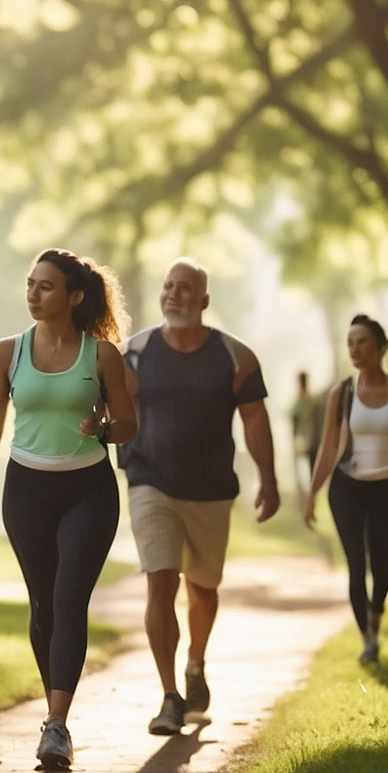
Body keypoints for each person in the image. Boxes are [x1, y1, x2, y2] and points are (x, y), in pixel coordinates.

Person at [0, 248, 136, 770]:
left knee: (68, 601)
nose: (34, 294)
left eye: (46, 286)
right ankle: (54, 710)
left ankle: (56, 725)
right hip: (26, 490)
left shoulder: (101, 355)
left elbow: (128, 426)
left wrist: (102, 430)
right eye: (30, 284)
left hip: (88, 489)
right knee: (42, 605)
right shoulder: (7, 353)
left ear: (74, 296)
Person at [119, 259, 280, 736]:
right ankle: (169, 695)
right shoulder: (137, 352)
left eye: (185, 288)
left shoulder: (235, 357)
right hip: (150, 481)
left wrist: (268, 479)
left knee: (204, 587)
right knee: (160, 581)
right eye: (168, 286)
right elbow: (116, 406)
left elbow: (254, 419)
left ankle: (195, 662)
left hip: (210, 490)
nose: (174, 295)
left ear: (204, 300)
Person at [304, 314, 388, 664]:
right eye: (350, 343)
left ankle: (376, 616)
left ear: (379, 348)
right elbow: (329, 447)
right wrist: (313, 493)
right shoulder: (341, 393)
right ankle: (368, 641)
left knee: (382, 565)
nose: (355, 349)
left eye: (362, 343)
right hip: (347, 490)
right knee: (356, 564)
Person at [290, 371, 322, 501]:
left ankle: (311, 497)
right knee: (305, 474)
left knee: (310, 474)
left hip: (310, 443)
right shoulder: (302, 402)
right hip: (304, 443)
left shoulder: (310, 402)